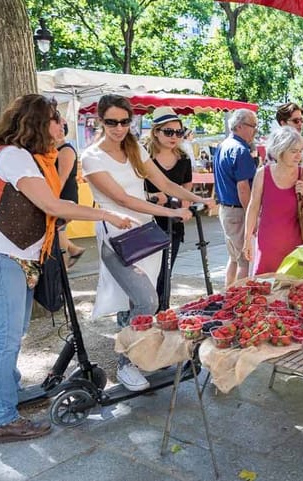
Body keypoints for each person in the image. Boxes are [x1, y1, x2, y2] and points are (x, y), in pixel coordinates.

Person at [0, 94, 135, 443]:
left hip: (15, 257)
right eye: (56, 119)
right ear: (38, 124)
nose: (62, 126)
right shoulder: (14, 156)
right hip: (0, 255)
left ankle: (5, 396)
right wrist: (107, 214)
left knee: (12, 333)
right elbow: (52, 204)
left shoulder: (32, 158)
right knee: (6, 338)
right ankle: (2, 419)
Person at [81, 95, 212, 391]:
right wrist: (172, 211)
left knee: (140, 301)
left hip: (145, 237)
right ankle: (126, 364)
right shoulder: (91, 156)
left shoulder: (134, 149)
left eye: (125, 122)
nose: (119, 128)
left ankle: (141, 353)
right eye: (112, 122)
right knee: (147, 300)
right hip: (117, 238)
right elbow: (124, 200)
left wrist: (198, 199)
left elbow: (165, 183)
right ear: (100, 121)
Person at [243, 127, 303, 275]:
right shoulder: (263, 174)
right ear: (280, 151)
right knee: (264, 289)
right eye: (293, 151)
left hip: (296, 246)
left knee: (295, 291)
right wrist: (247, 239)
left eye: (300, 150)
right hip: (267, 244)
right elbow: (253, 207)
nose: (299, 156)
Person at [143, 107, 194, 310]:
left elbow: (186, 186)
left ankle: (162, 311)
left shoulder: (184, 158)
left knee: (166, 270)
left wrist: (185, 205)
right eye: (168, 132)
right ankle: (143, 312)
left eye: (178, 132)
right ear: (156, 131)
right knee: (146, 273)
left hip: (173, 222)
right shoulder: (144, 157)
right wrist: (154, 198)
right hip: (147, 222)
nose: (174, 137)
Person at [213, 108, 258, 287]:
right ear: (239, 126)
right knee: (245, 260)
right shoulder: (241, 150)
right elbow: (243, 188)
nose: (255, 130)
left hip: (226, 210)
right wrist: (251, 216)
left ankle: (227, 294)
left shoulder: (224, 145)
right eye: (252, 126)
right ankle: (239, 299)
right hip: (238, 211)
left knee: (234, 258)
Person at [54, 119, 86, 269]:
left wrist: (50, 199)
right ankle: (73, 250)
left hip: (65, 196)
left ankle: (64, 262)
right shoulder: (55, 150)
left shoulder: (66, 150)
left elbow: (62, 178)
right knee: (59, 229)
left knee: (58, 228)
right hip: (60, 195)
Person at [275, 102, 303, 170]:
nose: (300, 124)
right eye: (295, 121)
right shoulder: (275, 148)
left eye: (302, 120)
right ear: (283, 123)